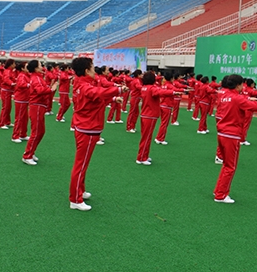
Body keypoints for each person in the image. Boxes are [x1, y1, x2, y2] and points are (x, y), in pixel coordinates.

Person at [69, 57, 126, 211]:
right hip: (87, 128)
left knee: (82, 164)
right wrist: (118, 89)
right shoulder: (85, 85)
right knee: (80, 165)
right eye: (92, 66)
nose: (95, 69)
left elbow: (96, 97)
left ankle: (79, 191)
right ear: (87, 70)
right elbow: (96, 93)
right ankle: (75, 199)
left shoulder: (83, 83)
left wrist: (113, 98)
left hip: (87, 127)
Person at [213, 75, 257, 203]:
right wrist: (255, 100)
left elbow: (239, 99)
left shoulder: (224, 94)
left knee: (226, 165)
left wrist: (247, 97)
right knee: (230, 166)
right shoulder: (237, 98)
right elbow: (255, 107)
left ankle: (219, 190)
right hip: (231, 134)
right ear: (238, 85)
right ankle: (221, 195)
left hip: (222, 133)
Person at [137, 71, 178, 163]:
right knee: (146, 138)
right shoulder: (152, 88)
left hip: (145, 114)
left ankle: (144, 155)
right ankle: (141, 158)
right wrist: (174, 92)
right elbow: (161, 92)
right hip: (150, 115)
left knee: (145, 137)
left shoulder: (144, 87)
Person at [22, 60, 57, 165]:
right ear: (36, 68)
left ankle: (31, 152)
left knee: (41, 132)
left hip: (39, 106)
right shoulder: (36, 78)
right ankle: (27, 155)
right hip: (36, 106)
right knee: (36, 132)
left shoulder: (38, 77)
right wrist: (51, 89)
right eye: (40, 65)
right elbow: (41, 90)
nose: (42, 66)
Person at [12, 62, 30, 143]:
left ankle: (23, 134)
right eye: (26, 67)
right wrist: (29, 84)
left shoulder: (26, 75)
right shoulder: (22, 75)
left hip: (25, 99)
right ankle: (15, 135)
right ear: (22, 68)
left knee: (24, 118)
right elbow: (21, 84)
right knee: (19, 118)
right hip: (20, 99)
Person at [0, 59, 16, 129]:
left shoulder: (10, 71)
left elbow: (12, 78)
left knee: (8, 107)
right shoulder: (8, 71)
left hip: (8, 91)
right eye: (14, 63)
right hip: (5, 91)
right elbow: (6, 79)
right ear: (11, 64)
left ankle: (7, 121)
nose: (15, 65)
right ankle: (1, 124)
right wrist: (12, 83)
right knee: (5, 107)